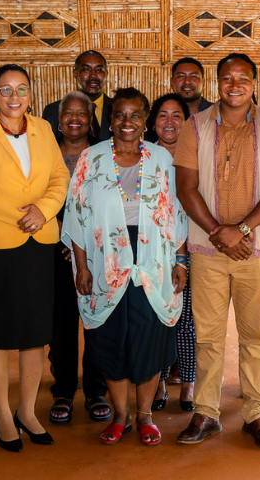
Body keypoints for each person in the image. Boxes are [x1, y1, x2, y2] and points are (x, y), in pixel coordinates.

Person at [174, 53, 260, 450]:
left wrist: (240, 231)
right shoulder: (195, 127)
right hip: (208, 250)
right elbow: (185, 187)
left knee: (254, 337)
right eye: (228, 78)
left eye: (243, 78)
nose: (235, 84)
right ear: (217, 83)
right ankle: (206, 413)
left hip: (255, 251)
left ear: (256, 83)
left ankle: (256, 414)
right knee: (207, 336)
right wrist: (216, 232)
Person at [62, 87, 189, 446]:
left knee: (148, 336)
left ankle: (146, 414)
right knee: (110, 337)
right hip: (105, 259)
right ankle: (121, 415)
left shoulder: (162, 158)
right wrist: (82, 267)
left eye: (135, 115)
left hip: (153, 261)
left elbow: (175, 212)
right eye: (120, 115)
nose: (127, 122)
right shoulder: (91, 159)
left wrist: (181, 260)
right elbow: (76, 214)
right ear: (111, 120)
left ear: (145, 120)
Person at [0, 64, 70, 452]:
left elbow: (60, 177)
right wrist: (22, 213)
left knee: (35, 333)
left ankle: (27, 410)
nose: (14, 97)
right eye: (6, 89)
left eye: (21, 89)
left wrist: (44, 209)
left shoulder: (42, 129)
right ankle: (3, 414)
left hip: (39, 241)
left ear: (30, 93)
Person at [47, 91, 112, 425]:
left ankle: (96, 389)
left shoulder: (105, 155)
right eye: (67, 113)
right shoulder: (44, 153)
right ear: (58, 120)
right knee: (62, 322)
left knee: (96, 318)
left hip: (97, 251)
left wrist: (81, 240)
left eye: (82, 114)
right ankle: (63, 388)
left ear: (91, 120)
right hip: (53, 249)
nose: (74, 119)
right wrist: (62, 233)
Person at [146, 93, 197, 411]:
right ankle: (160, 381)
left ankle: (189, 385)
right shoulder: (144, 156)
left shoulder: (199, 155)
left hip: (193, 246)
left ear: (187, 121)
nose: (169, 121)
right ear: (153, 123)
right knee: (157, 317)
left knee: (188, 321)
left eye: (176, 115)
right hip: (152, 247)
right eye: (162, 115)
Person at [43, 50, 112, 141]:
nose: (93, 76)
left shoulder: (117, 109)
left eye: (99, 70)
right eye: (86, 69)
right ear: (75, 73)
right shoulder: (54, 111)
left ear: (106, 74)